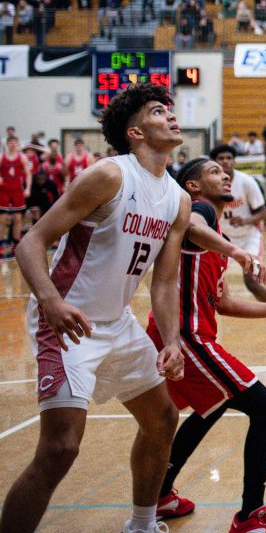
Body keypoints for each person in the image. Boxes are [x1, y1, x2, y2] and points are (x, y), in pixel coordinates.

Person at [2, 83, 191, 533]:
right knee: (61, 448)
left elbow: (165, 282)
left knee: (163, 418)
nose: (170, 115)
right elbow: (31, 242)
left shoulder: (177, 199)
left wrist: (172, 340)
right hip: (68, 320)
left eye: (170, 109)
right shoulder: (110, 176)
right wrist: (50, 301)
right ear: (135, 132)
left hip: (118, 324)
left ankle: (143, 524)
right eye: (157, 111)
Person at [147, 158, 266, 533]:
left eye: (226, 173)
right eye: (212, 172)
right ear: (192, 186)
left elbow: (223, 305)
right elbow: (191, 223)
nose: (224, 175)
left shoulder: (214, 231)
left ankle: (159, 494)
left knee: (214, 406)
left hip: (188, 336)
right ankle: (249, 516)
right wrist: (237, 252)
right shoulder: (199, 211)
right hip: (183, 338)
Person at [209, 145, 266, 348]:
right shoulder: (210, 184)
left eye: (229, 157)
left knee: (252, 282)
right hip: (223, 238)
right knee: (211, 285)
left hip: (249, 238)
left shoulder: (246, 182)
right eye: (221, 158)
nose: (226, 162)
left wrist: (246, 221)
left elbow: (263, 212)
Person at [0, 135, 32, 249]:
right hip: (3, 190)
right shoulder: (1, 157)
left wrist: (28, 188)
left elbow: (28, 174)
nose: (13, 144)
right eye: (11, 142)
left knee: (18, 218)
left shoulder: (22, 157)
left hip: (17, 190)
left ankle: (16, 242)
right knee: (2, 219)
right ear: (7, 144)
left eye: (15, 142)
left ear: (17, 144)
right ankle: (1, 244)